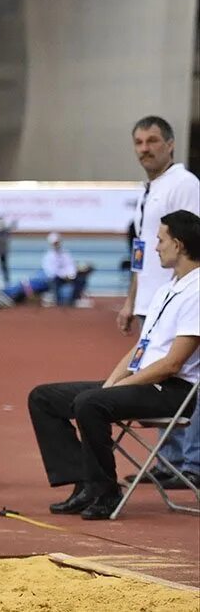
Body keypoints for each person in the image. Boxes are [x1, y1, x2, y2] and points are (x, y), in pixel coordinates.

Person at [27, 210, 200, 520]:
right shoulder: (166, 289)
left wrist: (118, 389)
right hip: (145, 381)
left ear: (178, 244)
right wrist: (111, 383)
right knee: (43, 398)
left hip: (173, 391)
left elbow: (172, 364)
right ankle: (84, 484)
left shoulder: (198, 291)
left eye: (160, 240)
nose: (156, 247)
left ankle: (106, 492)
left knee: (91, 404)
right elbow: (141, 348)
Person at [116, 116, 200, 489]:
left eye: (152, 141)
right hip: (152, 296)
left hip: (177, 294)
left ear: (170, 144)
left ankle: (188, 462)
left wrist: (180, 288)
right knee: (157, 374)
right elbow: (140, 248)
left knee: (181, 374)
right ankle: (169, 460)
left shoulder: (184, 184)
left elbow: (192, 240)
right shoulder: (148, 188)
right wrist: (131, 297)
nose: (145, 148)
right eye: (138, 142)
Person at [41, 232, 89, 307]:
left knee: (80, 279)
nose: (56, 244)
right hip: (56, 278)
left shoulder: (65, 253)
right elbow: (51, 272)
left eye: (58, 242)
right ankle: (57, 299)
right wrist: (64, 275)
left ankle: (73, 299)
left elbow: (70, 265)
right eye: (55, 243)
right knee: (54, 281)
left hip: (67, 276)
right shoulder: (48, 256)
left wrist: (71, 275)